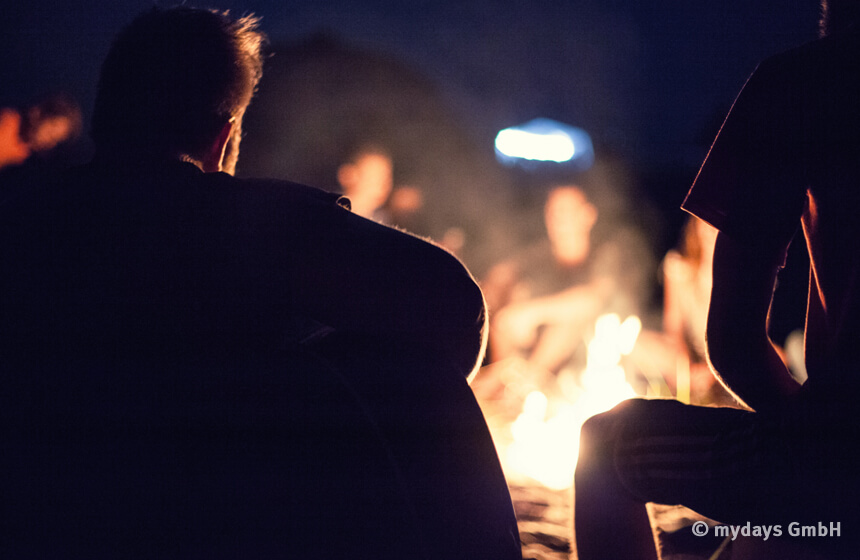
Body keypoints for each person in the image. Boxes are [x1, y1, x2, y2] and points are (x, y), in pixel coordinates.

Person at [0, 7, 520, 559]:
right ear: (224, 136)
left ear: (109, 111)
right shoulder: (243, 220)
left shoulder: (24, 216)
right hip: (204, 521)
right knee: (424, 386)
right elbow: (456, 312)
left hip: (36, 519)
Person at [574, 2, 860, 558]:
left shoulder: (804, 80)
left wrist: (813, 430)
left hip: (845, 442)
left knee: (605, 442)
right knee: (752, 541)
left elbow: (733, 344)